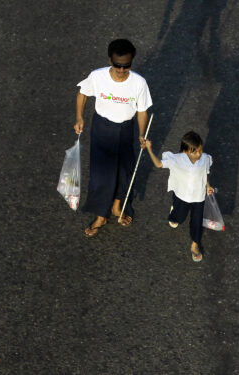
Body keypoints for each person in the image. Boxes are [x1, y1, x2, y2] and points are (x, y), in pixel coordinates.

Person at [74, 39, 153, 237]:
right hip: (102, 127)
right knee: (101, 173)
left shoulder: (139, 83)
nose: (121, 70)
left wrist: (142, 134)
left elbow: (142, 111)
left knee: (124, 170)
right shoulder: (97, 76)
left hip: (126, 128)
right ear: (110, 60)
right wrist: (79, 117)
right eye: (117, 65)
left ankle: (117, 205)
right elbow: (82, 94)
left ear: (131, 62)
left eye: (126, 66)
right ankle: (101, 214)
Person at [144, 131, 214, 262]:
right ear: (185, 151)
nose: (199, 154)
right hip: (181, 195)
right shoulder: (175, 159)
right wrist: (149, 149)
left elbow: (206, 172)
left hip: (198, 196)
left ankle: (195, 244)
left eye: (200, 150)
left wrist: (208, 186)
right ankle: (174, 214)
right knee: (178, 217)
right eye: (195, 151)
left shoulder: (205, 158)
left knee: (197, 221)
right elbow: (159, 164)